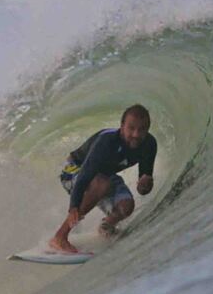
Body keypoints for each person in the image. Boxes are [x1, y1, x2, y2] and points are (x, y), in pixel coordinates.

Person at [49, 103, 158, 254]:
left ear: (147, 129)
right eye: (131, 128)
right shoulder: (107, 141)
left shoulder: (149, 145)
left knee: (126, 206)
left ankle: (106, 227)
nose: (136, 134)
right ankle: (60, 237)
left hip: (104, 176)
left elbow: (143, 189)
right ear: (122, 126)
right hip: (74, 170)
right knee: (102, 184)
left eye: (142, 129)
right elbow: (84, 176)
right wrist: (73, 207)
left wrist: (145, 185)